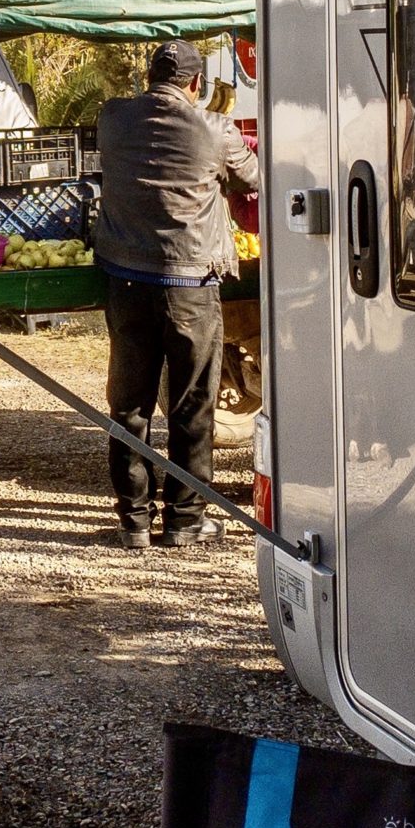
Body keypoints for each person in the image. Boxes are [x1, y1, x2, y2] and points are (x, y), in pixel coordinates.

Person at [91, 40, 257, 549]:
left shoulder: (113, 120)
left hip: (126, 281)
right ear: (196, 84)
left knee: (129, 404)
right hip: (189, 285)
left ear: (148, 77)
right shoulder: (214, 129)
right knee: (191, 404)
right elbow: (250, 179)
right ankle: (185, 520)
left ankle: (133, 521)